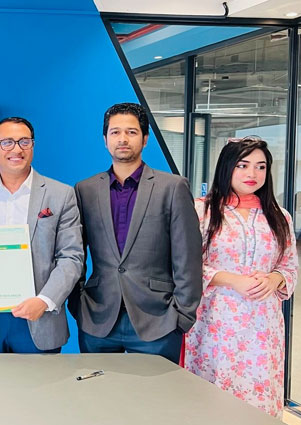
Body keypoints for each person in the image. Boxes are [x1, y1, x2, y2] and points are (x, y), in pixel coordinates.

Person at [69, 102, 202, 364]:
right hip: (98, 317)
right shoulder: (85, 189)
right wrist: (78, 304)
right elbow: (75, 252)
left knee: (155, 390)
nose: (123, 139)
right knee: (98, 389)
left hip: (159, 319)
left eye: (131, 132)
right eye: (115, 132)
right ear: (105, 139)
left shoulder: (172, 187)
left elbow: (188, 256)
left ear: (145, 138)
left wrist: (182, 315)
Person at [185, 137, 298, 417]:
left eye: (261, 167)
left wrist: (275, 279)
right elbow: (184, 265)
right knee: (213, 399)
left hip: (264, 325)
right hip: (215, 322)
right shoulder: (202, 211)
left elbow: (289, 265)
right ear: (227, 167)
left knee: (260, 401)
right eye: (243, 165)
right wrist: (231, 279)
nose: (252, 174)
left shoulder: (280, 216)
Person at [0, 117, 83, 353]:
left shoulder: (61, 194)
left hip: (39, 318)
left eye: (24, 142)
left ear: (32, 146)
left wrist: (44, 301)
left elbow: (71, 256)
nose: (16, 149)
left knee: (40, 380)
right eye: (7, 142)